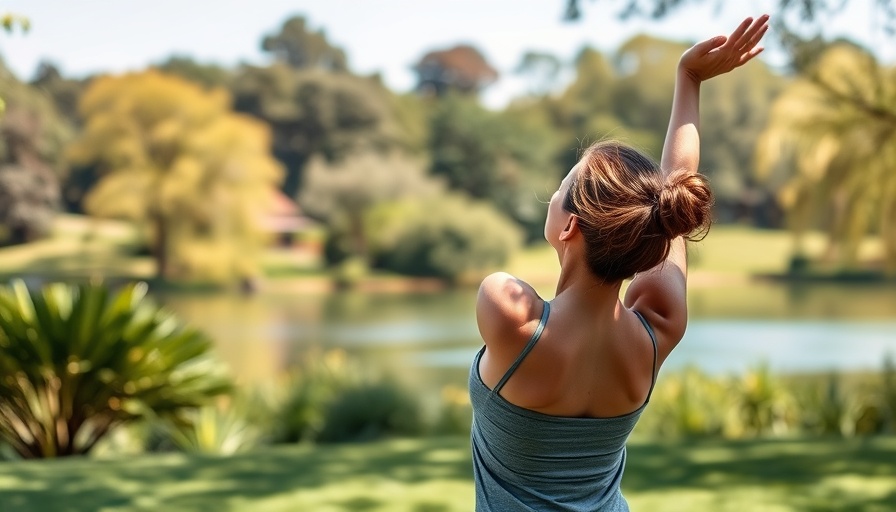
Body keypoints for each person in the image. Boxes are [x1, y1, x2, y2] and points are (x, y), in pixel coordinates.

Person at [469, 15, 770, 511]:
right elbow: (676, 184)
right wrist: (689, 80)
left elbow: (673, 190)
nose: (553, 195)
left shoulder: (509, 313)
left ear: (569, 227)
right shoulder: (656, 333)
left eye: (562, 186)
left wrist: (688, 77)